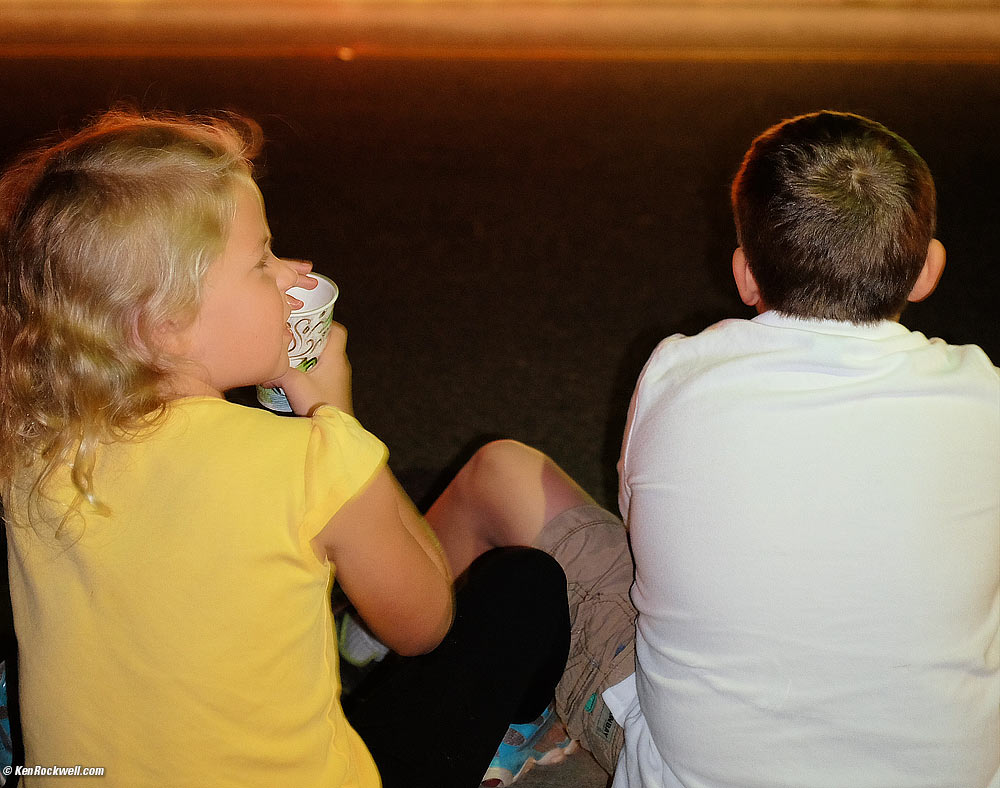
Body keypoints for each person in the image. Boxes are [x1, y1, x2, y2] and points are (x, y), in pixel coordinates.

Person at [420, 111, 999, 788]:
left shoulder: (682, 372)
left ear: (746, 275)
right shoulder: (986, 395)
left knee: (502, 470)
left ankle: (374, 636)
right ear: (928, 270)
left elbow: (644, 534)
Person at [0, 111, 569, 788]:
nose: (297, 274)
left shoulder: (27, 446)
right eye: (262, 261)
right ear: (167, 324)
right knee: (524, 587)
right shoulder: (310, 460)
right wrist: (340, 423)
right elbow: (425, 625)